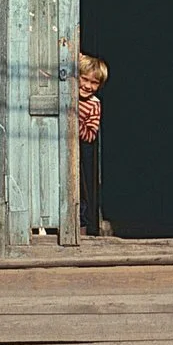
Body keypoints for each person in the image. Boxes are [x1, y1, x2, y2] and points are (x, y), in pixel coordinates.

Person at [77, 53, 108, 234]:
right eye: (84, 79)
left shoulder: (94, 104)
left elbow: (90, 135)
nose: (88, 86)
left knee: (81, 193)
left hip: (79, 154)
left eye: (94, 83)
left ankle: (81, 230)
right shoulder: (66, 94)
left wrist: (75, 123)